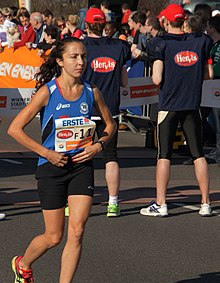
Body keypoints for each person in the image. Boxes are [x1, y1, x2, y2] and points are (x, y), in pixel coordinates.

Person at [8, 37, 116, 283]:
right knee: (54, 236)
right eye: (74, 57)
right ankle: (23, 264)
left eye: (83, 57)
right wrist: (47, 152)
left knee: (78, 230)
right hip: (51, 167)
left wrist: (97, 146)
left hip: (81, 166)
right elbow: (15, 129)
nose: (81, 62)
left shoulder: (91, 92)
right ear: (60, 61)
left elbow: (110, 124)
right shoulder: (48, 92)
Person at [140, 4, 213, 218]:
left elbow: (156, 79)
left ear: (165, 21)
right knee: (199, 154)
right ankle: (206, 202)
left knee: (164, 155)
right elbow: (208, 74)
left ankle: (161, 203)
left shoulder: (160, 43)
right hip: (192, 105)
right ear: (184, 20)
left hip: (169, 105)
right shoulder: (201, 41)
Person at [83, 8, 130, 217]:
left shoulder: (79, 46)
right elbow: (124, 81)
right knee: (111, 156)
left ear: (85, 25)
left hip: (84, 107)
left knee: (80, 157)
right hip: (110, 109)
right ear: (105, 25)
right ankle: (113, 203)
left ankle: (77, 202)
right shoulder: (120, 46)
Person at [205, 15, 220, 167]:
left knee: (217, 120)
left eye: (208, 26)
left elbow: (216, 67)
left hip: (216, 85)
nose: (206, 29)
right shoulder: (208, 43)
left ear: (213, 28)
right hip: (207, 86)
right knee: (201, 118)